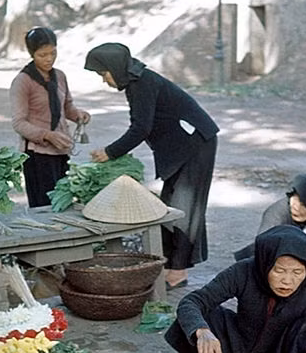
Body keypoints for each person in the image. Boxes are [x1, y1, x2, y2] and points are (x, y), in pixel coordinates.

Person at [85, 42, 219, 290]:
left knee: (185, 207)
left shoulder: (141, 83)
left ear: (114, 68)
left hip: (196, 143)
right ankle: (170, 265)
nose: (104, 81)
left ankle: (177, 273)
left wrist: (110, 152)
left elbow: (141, 128)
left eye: (103, 74)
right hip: (183, 143)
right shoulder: (136, 81)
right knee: (170, 203)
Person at [165, 225, 306, 353]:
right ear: (266, 263)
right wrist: (202, 332)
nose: (287, 281)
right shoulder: (245, 270)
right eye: (279, 270)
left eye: (297, 272)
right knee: (197, 318)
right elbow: (193, 301)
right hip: (236, 348)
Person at [10, 27, 91, 207]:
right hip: (37, 154)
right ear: (32, 54)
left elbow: (67, 107)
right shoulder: (23, 81)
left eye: (53, 53)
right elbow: (19, 123)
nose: (49, 59)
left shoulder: (60, 76)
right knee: (44, 206)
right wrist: (47, 135)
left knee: (62, 202)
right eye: (42, 54)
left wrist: (79, 115)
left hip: (60, 150)